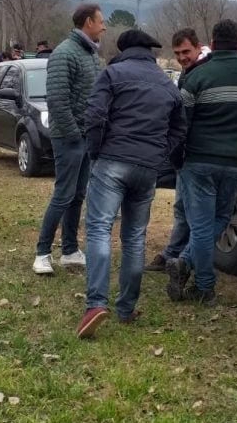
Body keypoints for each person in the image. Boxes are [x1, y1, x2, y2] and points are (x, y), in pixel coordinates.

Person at [76, 30, 185, 338]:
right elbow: (179, 128)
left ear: (123, 50)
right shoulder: (167, 83)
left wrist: (96, 151)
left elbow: (95, 115)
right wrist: (160, 155)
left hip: (112, 161)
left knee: (99, 228)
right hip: (147, 168)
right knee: (135, 237)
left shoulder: (112, 73)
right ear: (149, 51)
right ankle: (125, 308)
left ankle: (96, 304)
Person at [165, 19, 237, 305]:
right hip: (236, 163)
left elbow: (180, 124)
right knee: (220, 219)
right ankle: (187, 266)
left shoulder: (196, 77)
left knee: (203, 225)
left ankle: (203, 284)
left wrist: (176, 158)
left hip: (199, 162)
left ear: (212, 45)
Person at [33, 3, 106, 275]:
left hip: (86, 137)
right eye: (101, 21)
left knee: (77, 195)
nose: (104, 26)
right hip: (69, 137)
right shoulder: (65, 53)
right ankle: (42, 253)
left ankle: (70, 250)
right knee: (63, 195)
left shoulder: (89, 54)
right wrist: (75, 135)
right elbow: (57, 100)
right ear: (88, 22)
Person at [145, 27, 210, 272]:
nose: (182, 57)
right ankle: (174, 253)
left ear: (198, 46)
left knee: (193, 211)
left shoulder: (202, 73)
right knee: (182, 207)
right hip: (184, 153)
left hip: (197, 152)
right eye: (178, 53)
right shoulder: (187, 73)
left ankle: (185, 258)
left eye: (186, 51)